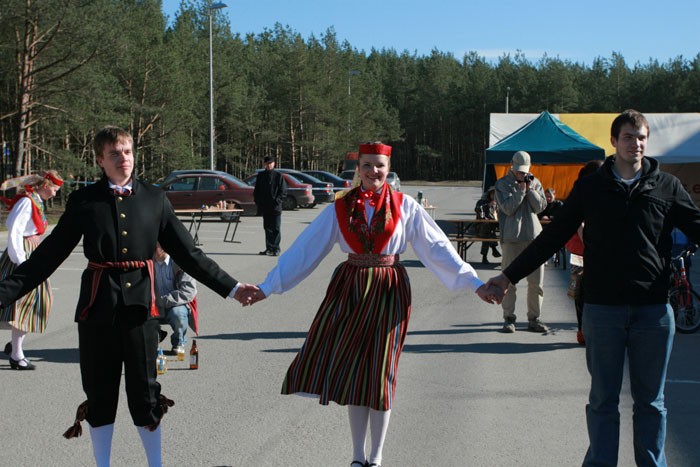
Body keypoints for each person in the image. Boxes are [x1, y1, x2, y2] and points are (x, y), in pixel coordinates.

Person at [0, 126, 257, 467]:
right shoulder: (84, 201)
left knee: (145, 394)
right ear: (100, 160)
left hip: (142, 312)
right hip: (96, 310)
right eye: (114, 153)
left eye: (127, 151)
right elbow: (47, 258)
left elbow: (190, 254)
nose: (123, 158)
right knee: (100, 395)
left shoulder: (155, 198)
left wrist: (233, 288)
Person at [243, 142, 500, 467]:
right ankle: (357, 456)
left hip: (389, 290)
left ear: (388, 168)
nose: (373, 171)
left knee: (381, 373)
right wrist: (268, 287)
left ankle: (376, 457)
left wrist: (474, 283)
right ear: (358, 168)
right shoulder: (341, 206)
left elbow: (436, 248)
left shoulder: (405, 205)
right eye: (367, 165)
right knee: (355, 373)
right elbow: (306, 249)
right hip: (350, 289)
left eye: (379, 165)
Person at [486, 109, 700, 466]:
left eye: (641, 137)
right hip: (603, 311)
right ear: (614, 141)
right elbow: (552, 237)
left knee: (652, 403)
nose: (636, 144)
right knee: (603, 401)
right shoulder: (591, 187)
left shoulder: (667, 187)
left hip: (652, 312)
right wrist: (508, 276)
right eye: (628, 137)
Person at [0, 171, 63, 370]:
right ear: (45, 185)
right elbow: (15, 230)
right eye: (54, 189)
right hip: (23, 255)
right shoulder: (27, 202)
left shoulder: (35, 201)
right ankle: (16, 354)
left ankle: (15, 346)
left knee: (31, 304)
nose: (55, 194)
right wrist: (21, 261)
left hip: (31, 253)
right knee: (26, 304)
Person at [494, 150, 549, 333]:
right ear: (512, 166)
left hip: (534, 238)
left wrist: (531, 190)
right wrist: (520, 191)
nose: (521, 174)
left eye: (524, 170)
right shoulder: (502, 184)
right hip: (512, 239)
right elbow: (508, 208)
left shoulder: (535, 182)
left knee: (536, 283)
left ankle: (534, 318)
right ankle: (508, 319)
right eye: (519, 170)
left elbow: (540, 207)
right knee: (509, 282)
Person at [565, 160, 604, 346]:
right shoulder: (583, 192)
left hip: (588, 250)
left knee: (585, 292)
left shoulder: (596, 192)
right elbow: (579, 224)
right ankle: (583, 331)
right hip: (582, 251)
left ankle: (586, 330)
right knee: (581, 292)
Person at [153, 243, 197, 356]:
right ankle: (153, 337)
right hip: (152, 304)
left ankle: (178, 342)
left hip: (174, 305)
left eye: (156, 245)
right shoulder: (146, 263)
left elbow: (188, 291)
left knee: (178, 314)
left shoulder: (180, 262)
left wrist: (161, 301)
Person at [253, 155, 288, 256]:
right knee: (267, 228)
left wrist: (277, 201)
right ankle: (269, 248)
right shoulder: (261, 176)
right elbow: (257, 191)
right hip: (265, 207)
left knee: (276, 228)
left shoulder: (278, 176)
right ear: (264, 164)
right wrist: (258, 202)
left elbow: (283, 191)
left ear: (274, 164)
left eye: (270, 163)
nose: (269, 165)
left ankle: (276, 248)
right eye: (267, 163)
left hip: (275, 207)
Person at [474, 187, 501, 264]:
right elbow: (477, 209)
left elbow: (497, 215)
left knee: (489, 234)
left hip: (491, 229)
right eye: (492, 194)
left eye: (495, 194)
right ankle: (493, 249)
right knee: (487, 232)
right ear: (489, 194)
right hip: (481, 227)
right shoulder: (481, 202)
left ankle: (486, 256)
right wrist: (488, 205)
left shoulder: (495, 204)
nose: (494, 196)